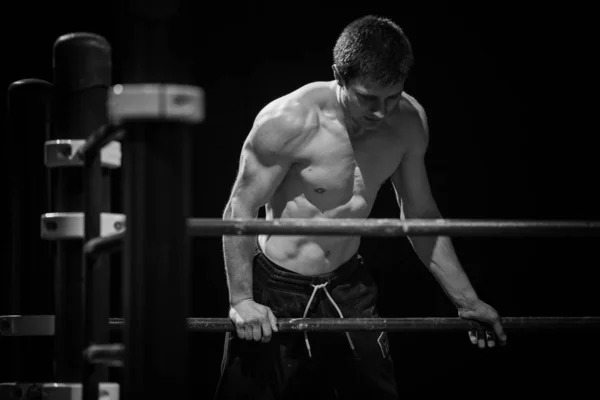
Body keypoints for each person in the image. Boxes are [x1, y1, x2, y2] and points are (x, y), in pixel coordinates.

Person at [215, 14, 507, 400]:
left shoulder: (408, 121)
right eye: (368, 98)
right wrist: (242, 300)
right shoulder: (289, 120)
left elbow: (419, 215)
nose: (381, 112)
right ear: (339, 74)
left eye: (393, 96)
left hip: (349, 285)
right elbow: (240, 208)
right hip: (276, 287)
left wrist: (468, 302)